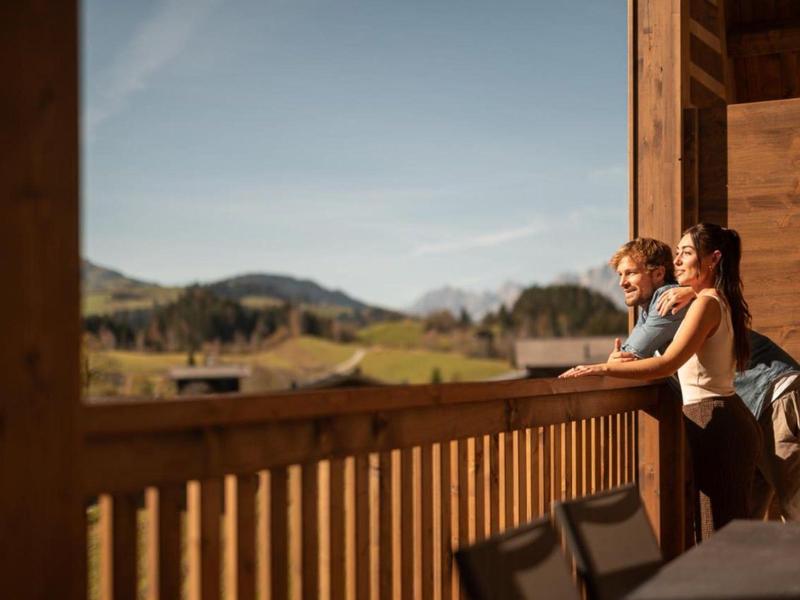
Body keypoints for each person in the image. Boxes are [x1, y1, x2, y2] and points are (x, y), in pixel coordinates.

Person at [560, 224, 761, 541]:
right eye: (678, 253)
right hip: (718, 418)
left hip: (717, 420)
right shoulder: (707, 299)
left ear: (713, 260)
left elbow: (668, 363)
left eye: (687, 253)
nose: (677, 261)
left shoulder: (706, 303)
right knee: (720, 531)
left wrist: (601, 369)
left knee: (720, 535)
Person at [604, 237, 800, 521]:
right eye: (620, 274)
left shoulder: (668, 299)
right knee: (747, 524)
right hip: (748, 411)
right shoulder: (666, 305)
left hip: (775, 395)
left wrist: (604, 367)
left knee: (793, 506)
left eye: (630, 272)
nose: (622, 281)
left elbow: (631, 354)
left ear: (658, 273)